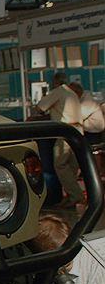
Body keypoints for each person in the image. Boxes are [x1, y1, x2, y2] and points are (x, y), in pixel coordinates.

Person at [37, 72, 85, 208]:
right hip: (78, 132)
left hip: (65, 132)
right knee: (71, 166)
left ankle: (76, 195)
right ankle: (71, 195)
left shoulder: (58, 91)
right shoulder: (72, 93)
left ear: (55, 82)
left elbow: (40, 107)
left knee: (60, 164)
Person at [72, 81, 105, 146]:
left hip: (93, 133)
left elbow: (80, 116)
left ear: (76, 93)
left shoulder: (88, 100)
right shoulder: (82, 98)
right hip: (89, 132)